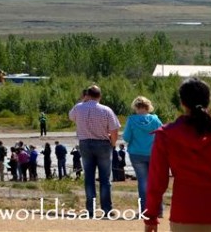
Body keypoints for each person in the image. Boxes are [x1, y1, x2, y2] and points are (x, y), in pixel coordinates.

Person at [144, 78, 211, 232]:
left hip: (184, 213)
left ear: (182, 103)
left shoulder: (166, 135)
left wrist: (151, 215)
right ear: (209, 101)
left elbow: (157, 180)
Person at [68, 84, 121, 217]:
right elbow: (114, 130)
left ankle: (90, 209)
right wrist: (113, 144)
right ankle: (107, 209)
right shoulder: (106, 110)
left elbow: (71, 116)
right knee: (105, 178)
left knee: (89, 177)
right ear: (100, 96)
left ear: (87, 95)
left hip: (85, 143)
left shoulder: (78, 108)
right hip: (103, 143)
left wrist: (82, 100)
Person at [123, 95, 162, 218]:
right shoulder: (155, 120)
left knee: (143, 182)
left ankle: (144, 210)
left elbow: (126, 138)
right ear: (148, 106)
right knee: (155, 182)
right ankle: (158, 210)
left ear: (136, 107)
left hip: (136, 154)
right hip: (153, 153)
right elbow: (162, 135)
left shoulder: (131, 120)